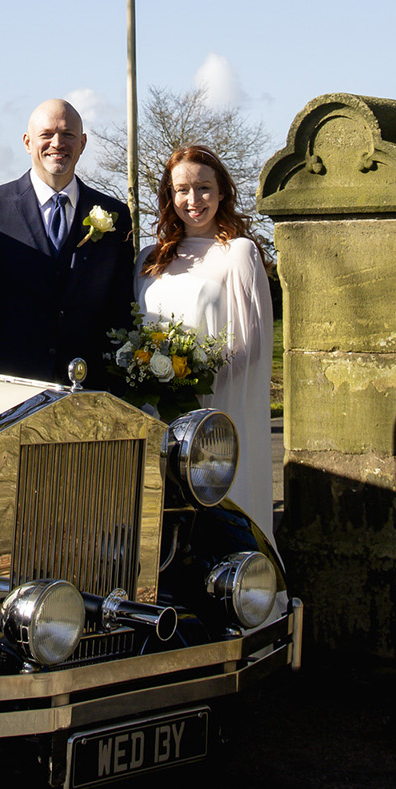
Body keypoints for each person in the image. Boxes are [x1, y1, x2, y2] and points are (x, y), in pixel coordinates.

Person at [0, 98, 134, 386]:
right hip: (7, 389)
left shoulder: (115, 214)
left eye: (68, 134)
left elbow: (120, 307)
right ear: (27, 142)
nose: (57, 143)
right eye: (46, 134)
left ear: (82, 143)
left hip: (89, 392)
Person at [135, 144, 274, 536]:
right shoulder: (150, 257)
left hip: (215, 404)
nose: (193, 200)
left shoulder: (239, 254)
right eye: (182, 190)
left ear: (222, 192)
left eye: (204, 188)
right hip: (156, 407)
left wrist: (194, 380)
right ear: (169, 195)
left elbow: (253, 346)